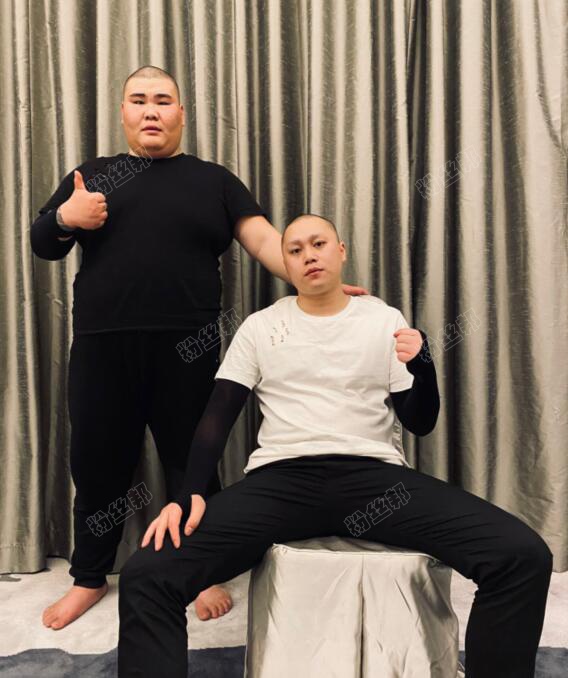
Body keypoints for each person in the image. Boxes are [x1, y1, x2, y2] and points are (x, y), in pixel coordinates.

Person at [117, 213, 553, 678]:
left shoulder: (383, 319)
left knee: (521, 555)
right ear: (286, 264)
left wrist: (423, 368)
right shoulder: (261, 326)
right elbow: (216, 418)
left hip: (375, 481)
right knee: (147, 574)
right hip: (280, 482)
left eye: (318, 244)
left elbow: (419, 421)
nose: (309, 256)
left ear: (341, 251)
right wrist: (188, 496)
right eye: (295, 250)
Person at [30, 64, 370, 631]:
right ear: (123, 112)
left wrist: (318, 281)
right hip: (102, 348)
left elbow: (263, 239)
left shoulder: (214, 180)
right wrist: (67, 216)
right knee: (96, 463)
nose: (151, 110)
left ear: (182, 114)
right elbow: (43, 241)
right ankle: (89, 577)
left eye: (163, 100)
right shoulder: (93, 175)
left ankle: (202, 569)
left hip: (188, 348)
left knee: (193, 461)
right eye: (139, 100)